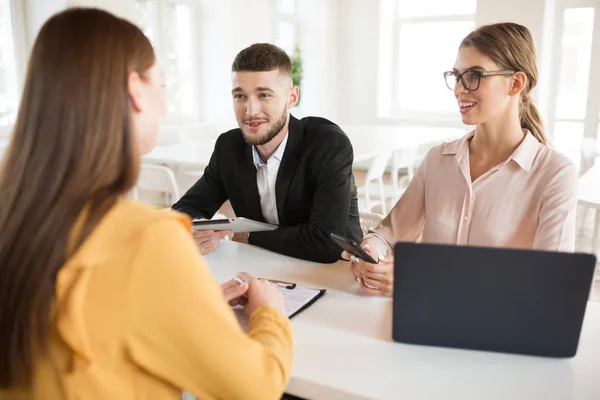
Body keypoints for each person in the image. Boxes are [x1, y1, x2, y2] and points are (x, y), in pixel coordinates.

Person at [0, 8, 292, 400]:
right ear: (135, 89)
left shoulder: (15, 216)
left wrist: (186, 304)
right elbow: (256, 388)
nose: (164, 104)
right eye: (161, 84)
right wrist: (268, 313)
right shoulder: (144, 238)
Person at [344, 22, 578, 297]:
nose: (459, 89)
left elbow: (550, 283)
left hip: (501, 331)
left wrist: (417, 276)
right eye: (457, 76)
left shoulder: (555, 174)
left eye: (475, 75)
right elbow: (387, 234)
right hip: (422, 320)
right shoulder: (438, 160)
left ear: (515, 83)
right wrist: (371, 254)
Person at [172, 43, 362, 263]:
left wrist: (248, 235)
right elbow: (186, 208)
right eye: (240, 96)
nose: (250, 111)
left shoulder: (327, 144)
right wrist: (195, 229)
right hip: (262, 266)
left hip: (337, 274)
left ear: (291, 98)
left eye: (263, 95)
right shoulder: (228, 146)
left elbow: (326, 243)